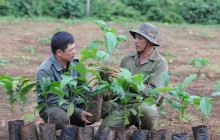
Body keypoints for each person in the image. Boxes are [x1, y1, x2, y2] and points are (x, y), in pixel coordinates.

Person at [99, 23, 168, 131]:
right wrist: (108, 87)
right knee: (104, 133)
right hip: (124, 104)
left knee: (148, 111)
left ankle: (143, 133)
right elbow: (119, 90)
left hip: (144, 103)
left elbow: (153, 93)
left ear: (149, 41)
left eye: (140, 38)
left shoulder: (159, 63)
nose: (136, 41)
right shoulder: (127, 59)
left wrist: (128, 80)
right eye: (135, 38)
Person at [36, 31, 92, 129]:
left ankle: (75, 126)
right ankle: (59, 127)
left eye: (74, 48)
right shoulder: (46, 70)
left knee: (97, 109)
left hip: (73, 104)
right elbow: (53, 99)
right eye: (71, 50)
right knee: (61, 118)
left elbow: (83, 88)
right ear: (59, 52)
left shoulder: (75, 64)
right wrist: (78, 112)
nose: (74, 52)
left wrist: (96, 95)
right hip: (53, 107)